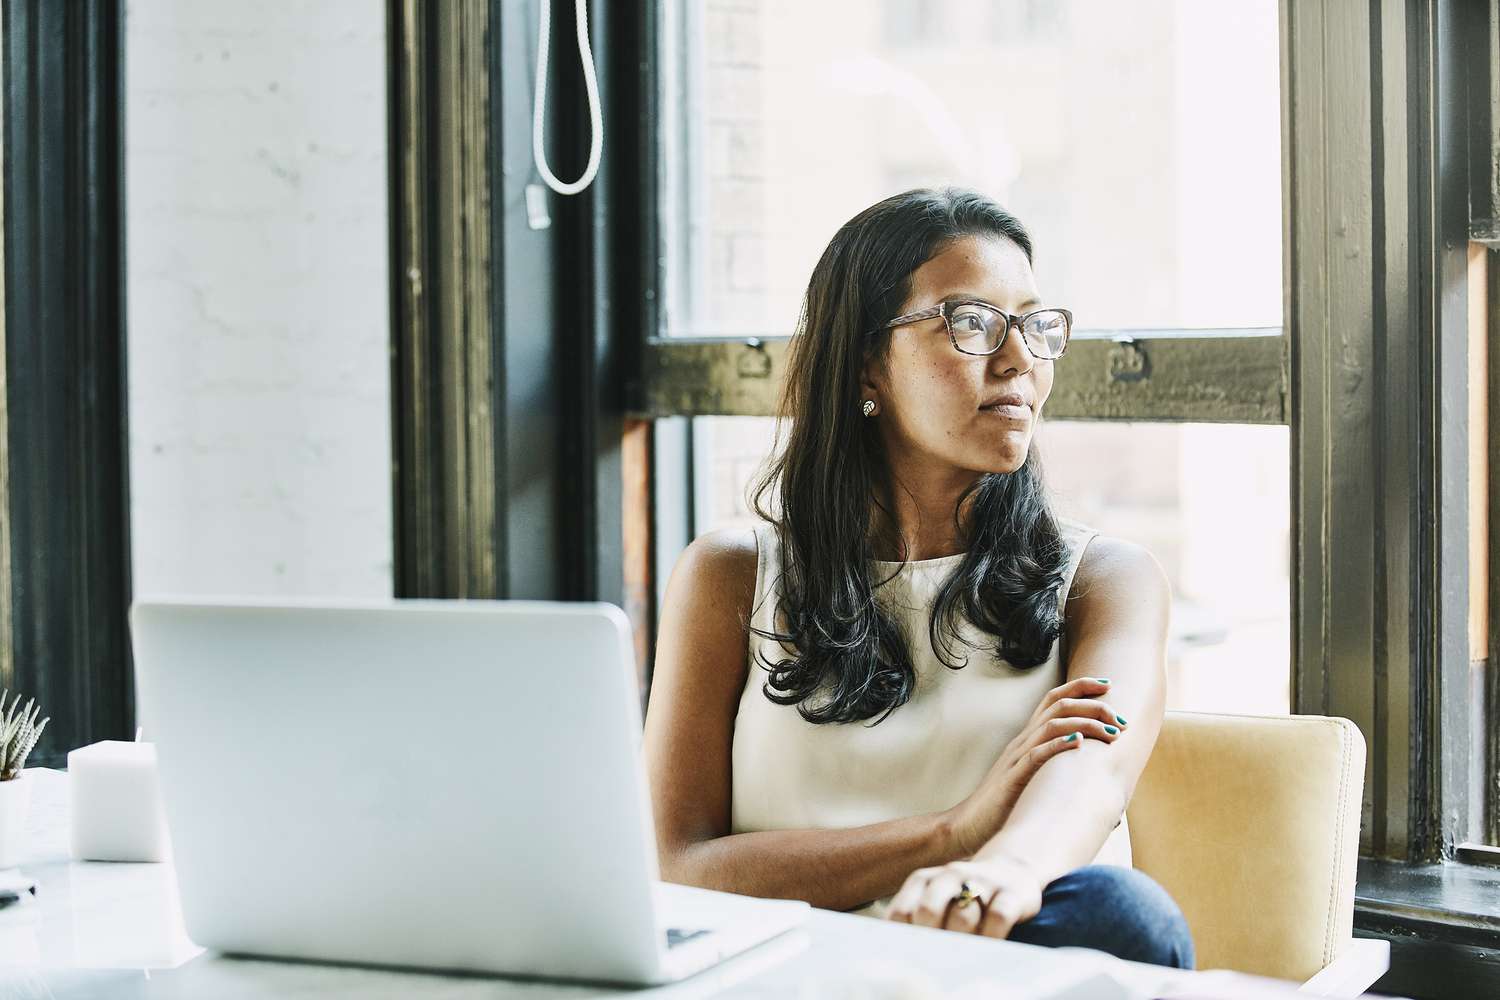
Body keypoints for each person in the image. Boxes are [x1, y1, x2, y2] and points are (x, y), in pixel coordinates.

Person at [642, 187, 1194, 969]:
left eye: (1036, 325)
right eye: (971, 322)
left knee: (1119, 915)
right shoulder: (731, 575)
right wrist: (953, 833)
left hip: (986, 960)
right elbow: (676, 869)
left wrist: (1001, 866)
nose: (1019, 359)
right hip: (789, 978)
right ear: (868, 358)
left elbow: (1093, 773)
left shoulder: (1104, 579)